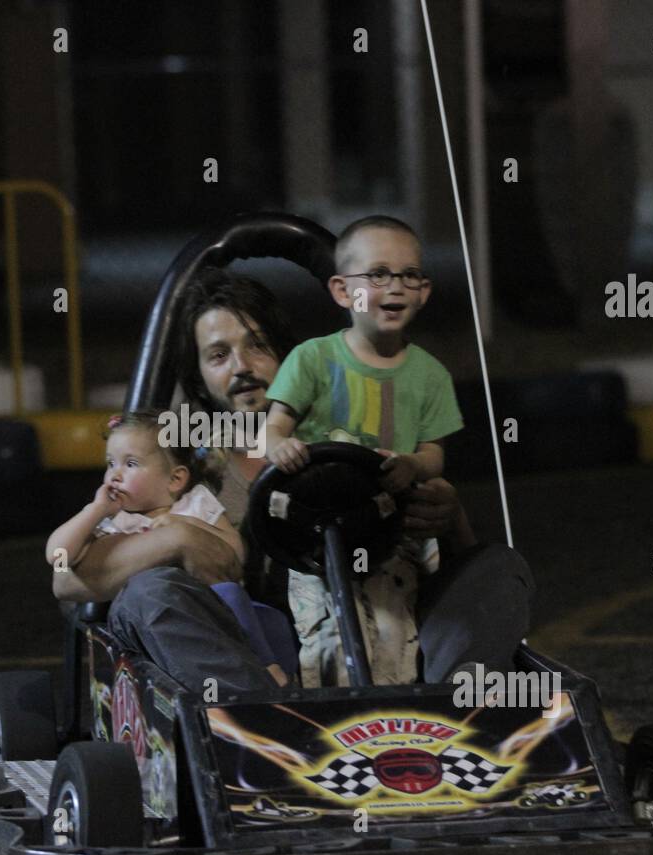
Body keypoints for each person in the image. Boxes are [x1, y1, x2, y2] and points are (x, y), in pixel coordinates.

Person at [55, 267, 532, 696]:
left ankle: (457, 714)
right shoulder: (179, 469)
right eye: (219, 355)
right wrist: (178, 538)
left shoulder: (348, 444)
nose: (242, 367)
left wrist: (450, 517)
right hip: (254, 656)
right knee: (149, 592)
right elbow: (68, 580)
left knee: (499, 566)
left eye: (258, 346)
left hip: (381, 637)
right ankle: (258, 720)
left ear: (291, 358)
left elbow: (449, 566)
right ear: (200, 380)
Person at [260, 214, 459, 685]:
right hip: (315, 538)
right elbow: (271, 430)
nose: (394, 287)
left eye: (408, 275)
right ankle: (327, 735)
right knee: (328, 638)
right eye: (377, 274)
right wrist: (281, 447)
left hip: (387, 534)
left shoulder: (430, 375)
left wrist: (412, 464)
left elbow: (435, 455)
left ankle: (390, 729)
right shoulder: (313, 359)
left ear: (423, 291)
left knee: (393, 636)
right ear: (342, 291)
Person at [47, 411, 294, 685]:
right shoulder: (114, 519)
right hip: (148, 618)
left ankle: (266, 666)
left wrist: (183, 524)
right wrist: (95, 510)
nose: (114, 474)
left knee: (246, 603)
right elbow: (58, 556)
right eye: (110, 463)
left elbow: (234, 553)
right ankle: (252, 685)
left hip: (212, 602)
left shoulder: (194, 504)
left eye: (130, 463)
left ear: (175, 480)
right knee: (157, 596)